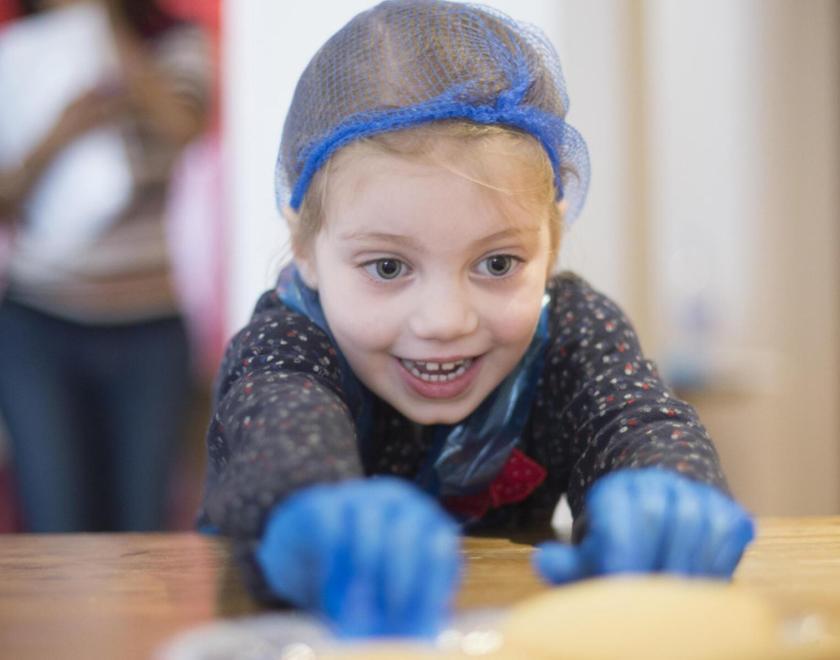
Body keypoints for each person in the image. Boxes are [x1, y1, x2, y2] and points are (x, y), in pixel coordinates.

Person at [198, 0, 754, 638]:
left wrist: (668, 495)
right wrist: (307, 511)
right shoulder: (288, 340)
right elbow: (278, 432)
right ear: (305, 251)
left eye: (496, 263)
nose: (444, 321)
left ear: (552, 241)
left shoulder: (571, 329)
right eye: (387, 267)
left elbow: (635, 422)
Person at [0, 0, 212, 531]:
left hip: (147, 327)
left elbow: (184, 127)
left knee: (141, 528)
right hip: (39, 325)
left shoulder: (176, 43)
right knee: (56, 526)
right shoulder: (18, 51)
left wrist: (101, 28)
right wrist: (61, 134)